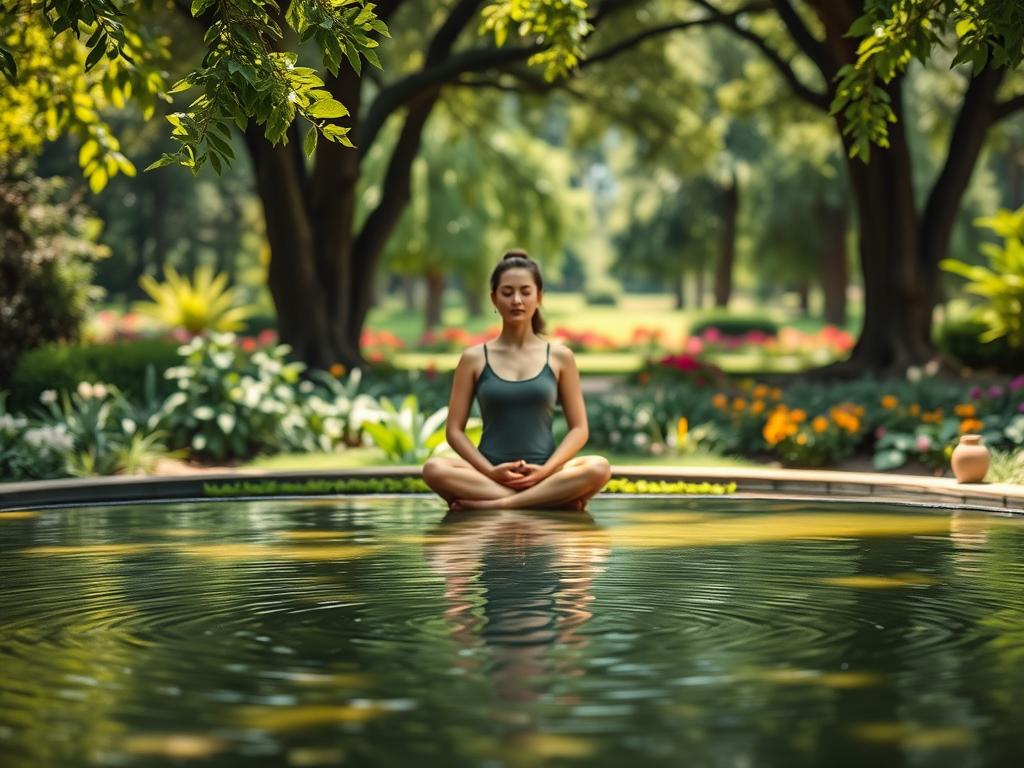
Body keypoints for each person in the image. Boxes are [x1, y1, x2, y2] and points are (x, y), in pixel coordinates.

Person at [421, 249, 611, 511]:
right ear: (494, 299)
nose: (517, 300)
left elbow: (579, 429)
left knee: (598, 467)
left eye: (525, 291)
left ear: (539, 297)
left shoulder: (560, 357)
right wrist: (490, 471)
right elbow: (454, 431)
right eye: (507, 292)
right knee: (434, 468)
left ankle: (502, 504)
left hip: (545, 472)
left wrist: (545, 472)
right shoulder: (473, 359)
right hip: (488, 475)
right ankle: (546, 500)